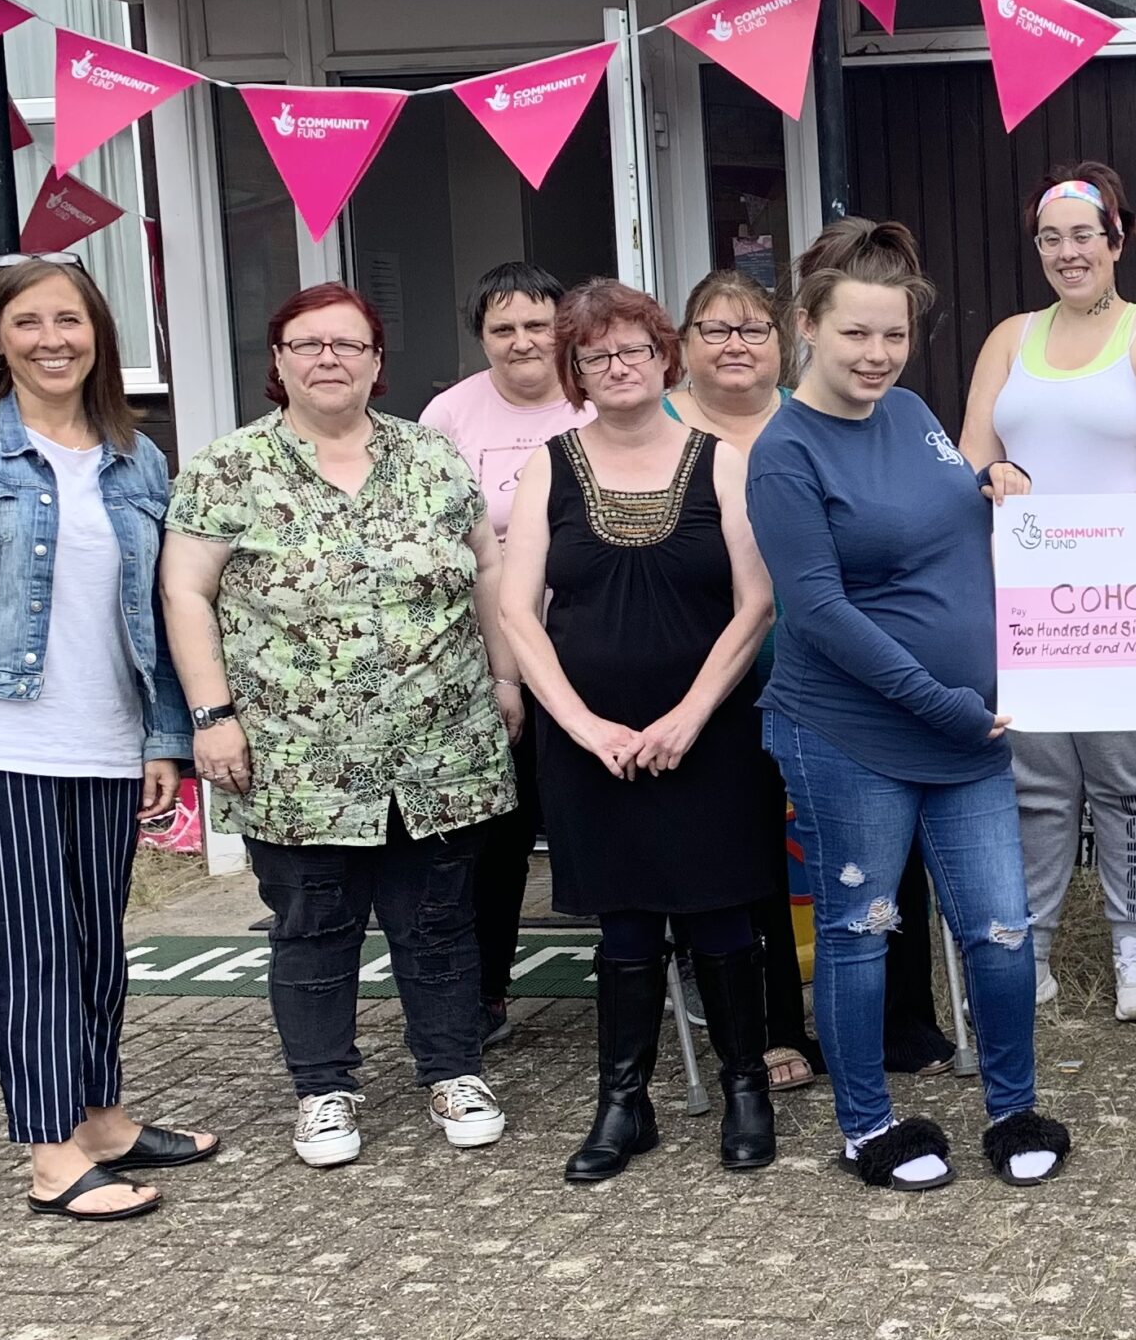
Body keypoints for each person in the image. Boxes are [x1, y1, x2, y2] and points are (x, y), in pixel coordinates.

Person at [0, 257, 218, 1221]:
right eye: (28, 323)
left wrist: (161, 738)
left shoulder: (136, 458)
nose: (52, 339)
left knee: (98, 944)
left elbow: (151, 611)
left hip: (105, 739)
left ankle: (101, 1118)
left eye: (70, 320)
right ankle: (52, 1157)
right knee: (31, 949)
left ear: (99, 335)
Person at [161, 283, 520, 1170]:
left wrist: (507, 675)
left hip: (439, 741)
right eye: (308, 344)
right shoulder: (226, 469)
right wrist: (212, 716)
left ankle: (453, 1070)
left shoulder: (432, 457)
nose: (329, 359)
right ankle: (325, 1090)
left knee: (439, 921)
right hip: (296, 754)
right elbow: (186, 592)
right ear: (278, 363)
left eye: (348, 345)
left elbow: (488, 569)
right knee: (312, 925)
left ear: (377, 363)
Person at [748, 218, 1071, 1191]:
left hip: (967, 727)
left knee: (1001, 932)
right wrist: (946, 702)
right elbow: (819, 613)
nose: (877, 354)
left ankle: (1012, 1110)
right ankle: (867, 1126)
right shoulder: (783, 453)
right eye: (855, 334)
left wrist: (991, 483)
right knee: (860, 927)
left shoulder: (913, 411)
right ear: (807, 324)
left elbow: (931, 512)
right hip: (856, 734)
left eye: (892, 335)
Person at [500, 280, 780, 1181]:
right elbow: (516, 611)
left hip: (711, 732)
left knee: (724, 920)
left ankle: (747, 1090)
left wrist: (689, 717)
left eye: (632, 350)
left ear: (665, 358)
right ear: (574, 372)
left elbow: (757, 604)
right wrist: (581, 726)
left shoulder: (720, 460)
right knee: (622, 931)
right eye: (593, 356)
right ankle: (624, 1104)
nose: (616, 367)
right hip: (595, 748)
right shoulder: (550, 461)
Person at [960, 162, 1136, 1022]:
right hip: (1024, 600)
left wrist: (1091, 556)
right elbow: (971, 457)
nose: (1069, 252)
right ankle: (1033, 949)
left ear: (1116, 240)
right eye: (1051, 238)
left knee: (1128, 775)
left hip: (1124, 598)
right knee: (1034, 780)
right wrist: (995, 480)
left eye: (1083, 235)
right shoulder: (1009, 338)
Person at [662, 268, 827, 1092]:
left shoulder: (818, 416)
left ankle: (844, 1012)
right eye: (715, 330)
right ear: (683, 346)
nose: (734, 345)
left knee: (825, 849)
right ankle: (754, 1019)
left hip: (818, 671)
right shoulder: (644, 424)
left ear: (783, 343)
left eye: (752, 329)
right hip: (695, 680)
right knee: (736, 854)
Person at [418, 260, 591, 1050]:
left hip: (599, 650)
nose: (523, 342)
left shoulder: (597, 400)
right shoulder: (449, 417)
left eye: (537, 324)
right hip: (496, 663)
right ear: (481, 336)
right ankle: (485, 991)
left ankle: (672, 966)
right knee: (501, 835)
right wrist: (498, 672)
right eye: (503, 328)